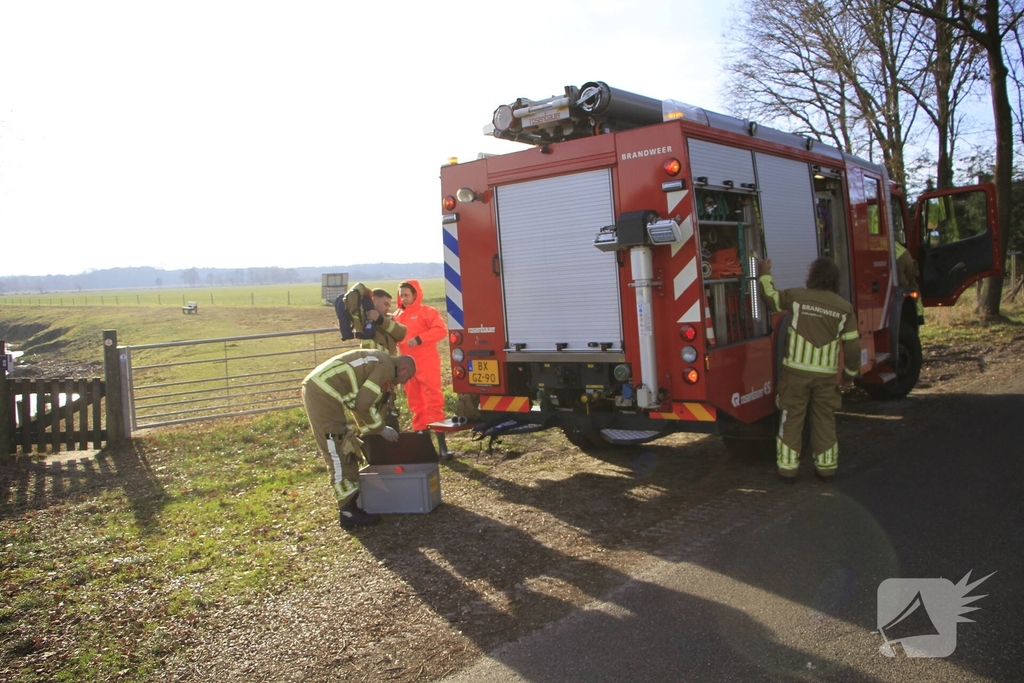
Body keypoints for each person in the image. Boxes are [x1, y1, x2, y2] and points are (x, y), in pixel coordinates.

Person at [758, 257, 860, 483]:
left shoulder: (797, 297)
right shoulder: (844, 308)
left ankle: (787, 470)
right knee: (824, 419)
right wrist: (850, 374)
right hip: (826, 376)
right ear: (835, 281)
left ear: (812, 276)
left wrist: (765, 273)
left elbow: (771, 299)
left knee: (792, 418)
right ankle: (826, 469)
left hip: (794, 375)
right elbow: (852, 345)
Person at [301, 349, 417, 528]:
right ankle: (348, 510)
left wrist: (369, 433)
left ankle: (351, 505)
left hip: (321, 388)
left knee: (343, 443)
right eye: (407, 378)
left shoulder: (380, 359)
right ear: (402, 369)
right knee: (338, 447)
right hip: (323, 393)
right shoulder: (386, 368)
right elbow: (363, 404)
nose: (404, 383)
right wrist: (381, 429)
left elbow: (358, 402)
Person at [393, 280, 452, 459]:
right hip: (407, 368)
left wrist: (420, 339)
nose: (404, 299)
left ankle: (442, 446)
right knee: (416, 405)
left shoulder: (427, 312)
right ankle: (422, 446)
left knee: (434, 402)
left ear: (415, 294)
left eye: (407, 295)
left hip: (427, 364)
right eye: (401, 295)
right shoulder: (396, 316)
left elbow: (441, 330)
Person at [895, 241, 925, 322]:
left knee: (905, 286)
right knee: (912, 286)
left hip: (897, 260)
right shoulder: (892, 235)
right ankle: (919, 314)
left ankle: (915, 314)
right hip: (906, 255)